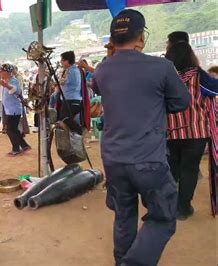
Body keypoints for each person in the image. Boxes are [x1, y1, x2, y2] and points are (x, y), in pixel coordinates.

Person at [94, 10, 190, 266]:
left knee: (124, 216)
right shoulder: (161, 67)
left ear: (112, 41)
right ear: (141, 38)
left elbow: (102, 90)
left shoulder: (101, 70)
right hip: (148, 160)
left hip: (113, 160)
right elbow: (182, 102)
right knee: (163, 216)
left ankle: (121, 260)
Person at [165, 31, 218, 219]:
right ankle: (183, 208)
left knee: (170, 171)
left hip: (170, 133)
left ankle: (169, 206)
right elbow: (215, 89)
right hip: (196, 132)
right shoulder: (199, 76)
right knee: (189, 170)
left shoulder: (164, 75)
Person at [0, 63, 31, 156]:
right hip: (9, 109)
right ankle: (24, 145)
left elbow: (16, 90)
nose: (1, 73)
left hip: (14, 109)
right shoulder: (6, 80)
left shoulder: (13, 81)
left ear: (7, 72)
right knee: (13, 129)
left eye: (2, 71)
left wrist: (6, 86)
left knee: (10, 129)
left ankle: (16, 148)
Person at [58, 51, 83, 134]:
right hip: (68, 99)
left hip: (71, 99)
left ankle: (79, 132)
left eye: (62, 60)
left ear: (67, 61)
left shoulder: (73, 71)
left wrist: (62, 81)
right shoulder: (69, 70)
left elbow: (67, 82)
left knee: (65, 118)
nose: (61, 62)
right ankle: (75, 134)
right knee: (64, 119)